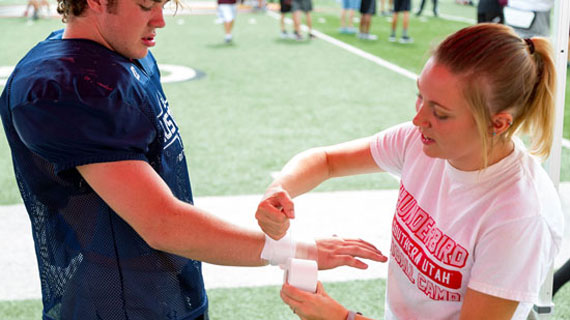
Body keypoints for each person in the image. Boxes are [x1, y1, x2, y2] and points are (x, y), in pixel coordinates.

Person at [0, 0, 388, 318]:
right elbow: (162, 223)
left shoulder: (116, 52)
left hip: (159, 280)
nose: (160, 20)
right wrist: (296, 250)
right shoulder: (68, 84)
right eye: (146, 5)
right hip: (119, 300)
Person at [255, 23, 563, 319]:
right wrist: (278, 190)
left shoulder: (520, 216)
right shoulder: (420, 141)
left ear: (497, 124)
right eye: (421, 95)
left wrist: (341, 318)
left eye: (440, 113)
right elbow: (326, 160)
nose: (418, 119)